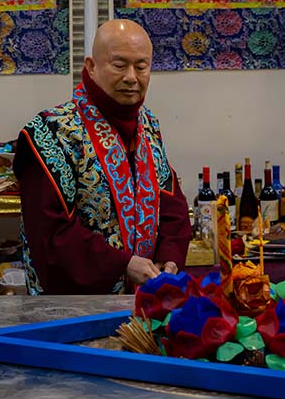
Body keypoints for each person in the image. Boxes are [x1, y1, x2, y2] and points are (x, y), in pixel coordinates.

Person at [13, 19, 193, 294]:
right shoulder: (50, 133)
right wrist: (122, 264)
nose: (131, 77)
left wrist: (169, 258)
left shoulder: (147, 126)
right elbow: (50, 234)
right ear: (91, 67)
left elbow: (171, 205)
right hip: (75, 308)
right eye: (119, 65)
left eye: (141, 66)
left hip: (143, 302)